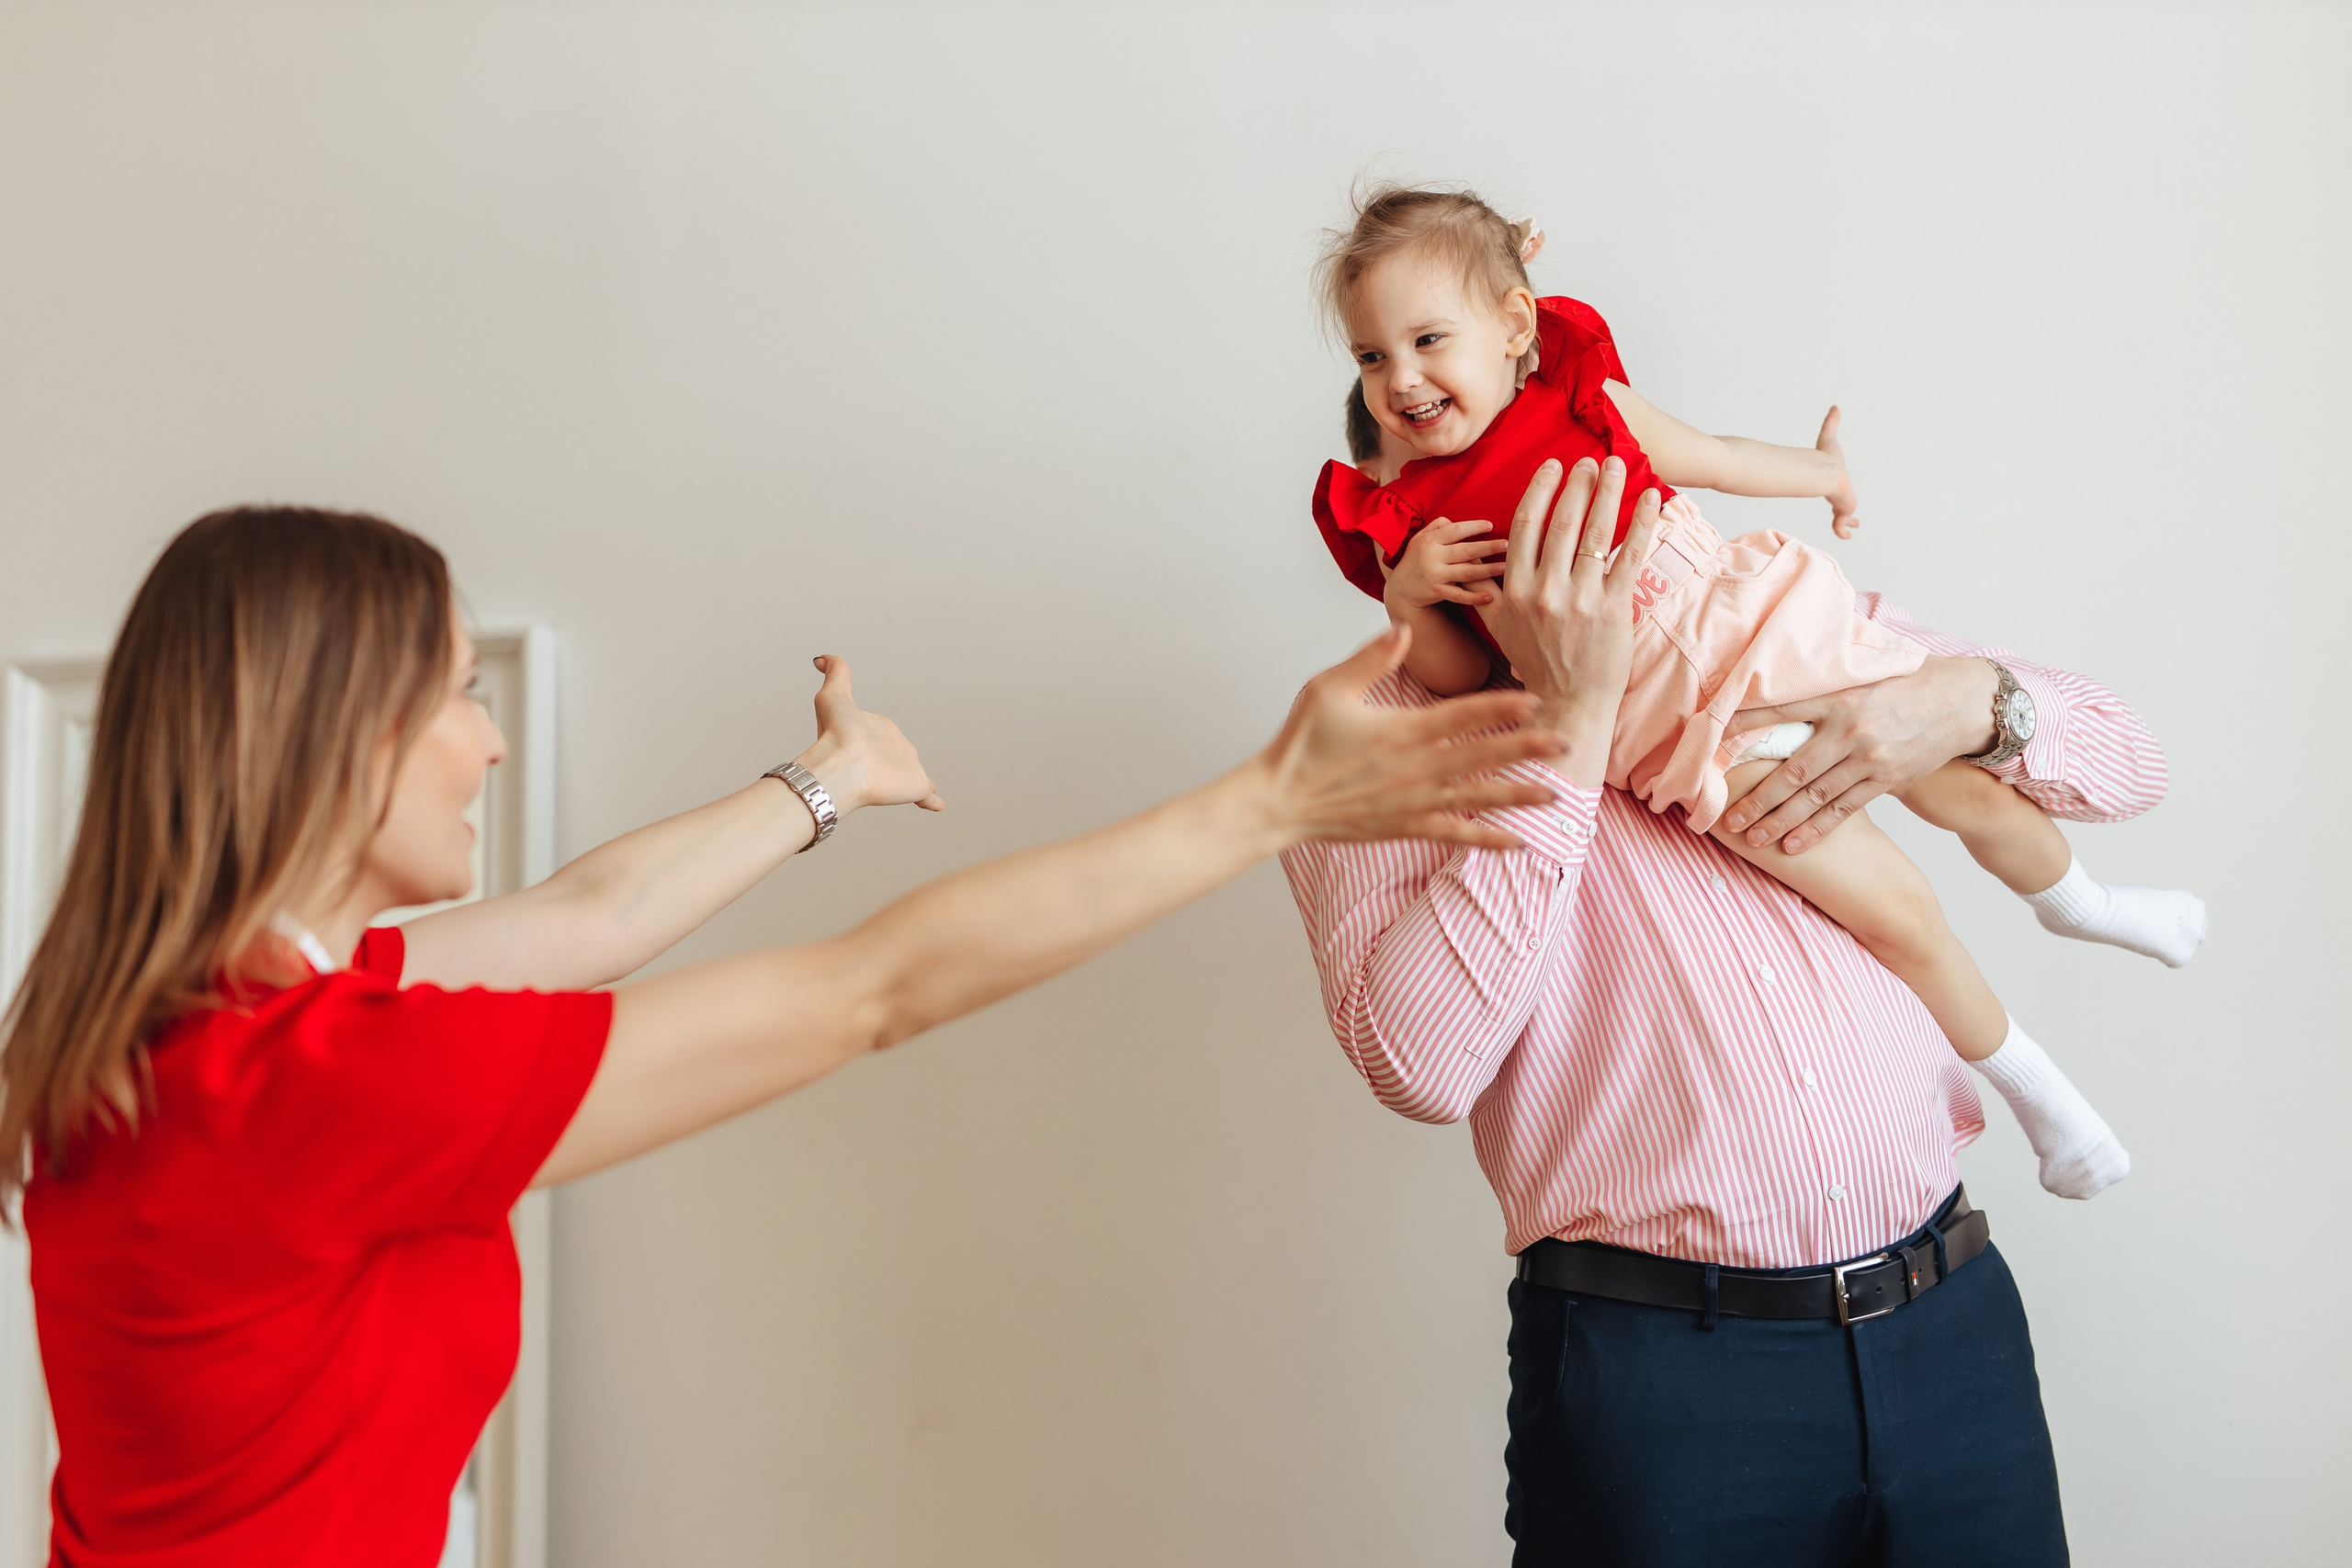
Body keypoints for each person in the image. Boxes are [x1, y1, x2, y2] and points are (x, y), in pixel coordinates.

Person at [0, 505, 1564, 1566]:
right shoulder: (320, 1085)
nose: (485, 733)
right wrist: (1272, 799)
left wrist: (827, 782)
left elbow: (588, 916)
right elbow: (874, 990)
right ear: (335, 730)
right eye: (455, 691)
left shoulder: (168, 1040)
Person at [1283, 452, 2167, 1563]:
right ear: (1408, 531)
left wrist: (1967, 700)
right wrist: (1567, 724)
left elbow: (2132, 764)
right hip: (1664, 1378)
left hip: (1950, 1327)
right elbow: (1419, 1065)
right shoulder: (1364, 733)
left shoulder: (1749, 618)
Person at [1309, 181, 2204, 1200]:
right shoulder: (1420, 528)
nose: (1402, 381)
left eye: (1427, 341)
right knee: (1900, 912)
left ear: (1514, 326)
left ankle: (2082, 904)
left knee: (1966, 788)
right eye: (1373, 358)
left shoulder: (1583, 409)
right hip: (1695, 739)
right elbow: (1459, 675)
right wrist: (1410, 598)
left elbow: (1719, 458)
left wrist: (1823, 474)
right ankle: (2049, 1104)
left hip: (1773, 630)